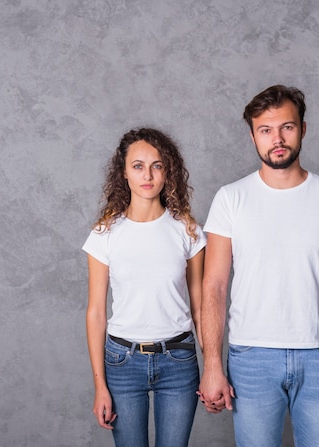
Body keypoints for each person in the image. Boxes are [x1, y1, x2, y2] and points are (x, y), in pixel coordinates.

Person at [197, 85, 319, 447]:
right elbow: (213, 287)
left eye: (287, 127)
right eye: (265, 130)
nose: (277, 138)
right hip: (251, 359)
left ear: (303, 129)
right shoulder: (230, 199)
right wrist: (212, 364)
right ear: (253, 136)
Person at [83, 128, 206, 447]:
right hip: (122, 362)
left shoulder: (187, 231)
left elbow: (201, 307)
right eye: (138, 166)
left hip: (178, 360)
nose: (147, 175)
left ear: (168, 172)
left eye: (157, 165)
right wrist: (100, 386)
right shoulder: (104, 233)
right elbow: (96, 312)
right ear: (123, 173)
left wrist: (213, 368)